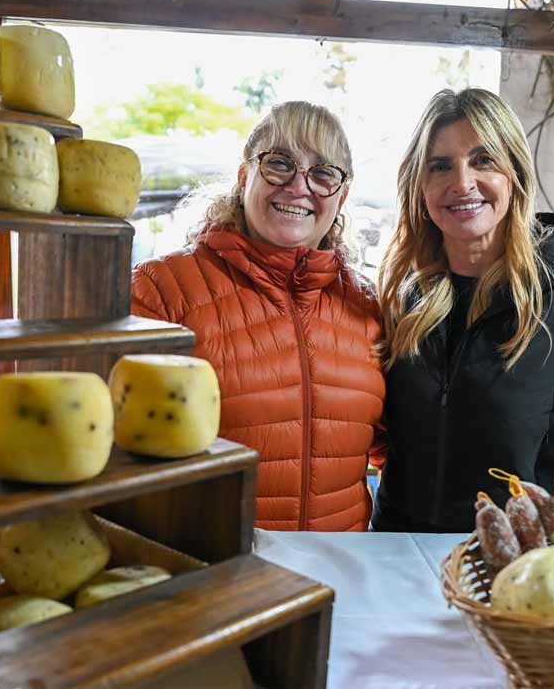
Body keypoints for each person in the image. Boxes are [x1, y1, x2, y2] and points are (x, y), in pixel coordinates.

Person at [372, 87, 554, 533]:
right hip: (396, 549)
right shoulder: (406, 296)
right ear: (419, 186)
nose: (462, 183)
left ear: (514, 173)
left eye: (483, 160)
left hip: (519, 562)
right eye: (440, 166)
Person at [132, 101, 385, 531]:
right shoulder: (160, 291)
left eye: (323, 174)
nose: (298, 187)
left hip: (341, 570)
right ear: (245, 176)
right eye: (280, 163)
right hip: (215, 570)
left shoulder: (367, 305)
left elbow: (387, 444)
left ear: (340, 197)